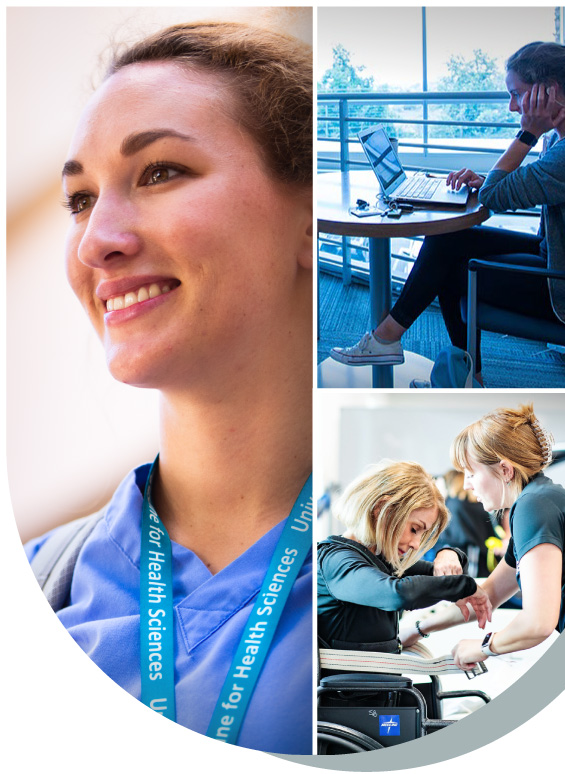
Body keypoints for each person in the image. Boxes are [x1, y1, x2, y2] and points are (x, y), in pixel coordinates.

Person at [24, 20, 313, 754]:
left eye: (159, 172)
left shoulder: (406, 572)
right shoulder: (38, 585)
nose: (97, 241)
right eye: (80, 200)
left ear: (314, 214)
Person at [330, 42, 565, 381]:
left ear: (549, 92)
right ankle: (409, 349)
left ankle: (422, 356)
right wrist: (485, 181)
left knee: (451, 271)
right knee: (449, 239)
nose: (513, 107)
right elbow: (519, 186)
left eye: (517, 94)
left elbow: (496, 196)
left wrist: (528, 132)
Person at [400, 404, 565, 670]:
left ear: (505, 470)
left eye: (471, 473)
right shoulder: (537, 499)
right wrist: (418, 629)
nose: (466, 484)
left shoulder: (533, 505)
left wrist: (483, 647)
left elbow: (538, 622)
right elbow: (486, 595)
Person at [318, 460, 492, 658]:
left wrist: (450, 555)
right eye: (414, 529)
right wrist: (464, 586)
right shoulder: (336, 560)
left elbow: (437, 575)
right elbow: (398, 594)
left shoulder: (379, 559)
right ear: (382, 509)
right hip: (352, 688)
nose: (416, 545)